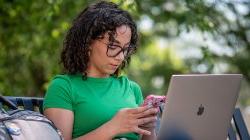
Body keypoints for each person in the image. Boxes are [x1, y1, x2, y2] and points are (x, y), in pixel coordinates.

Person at [43, 1, 158, 140]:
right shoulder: (64, 87)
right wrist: (113, 127)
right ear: (88, 42)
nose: (121, 57)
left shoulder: (131, 89)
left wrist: (149, 128)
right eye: (113, 46)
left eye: (126, 48)